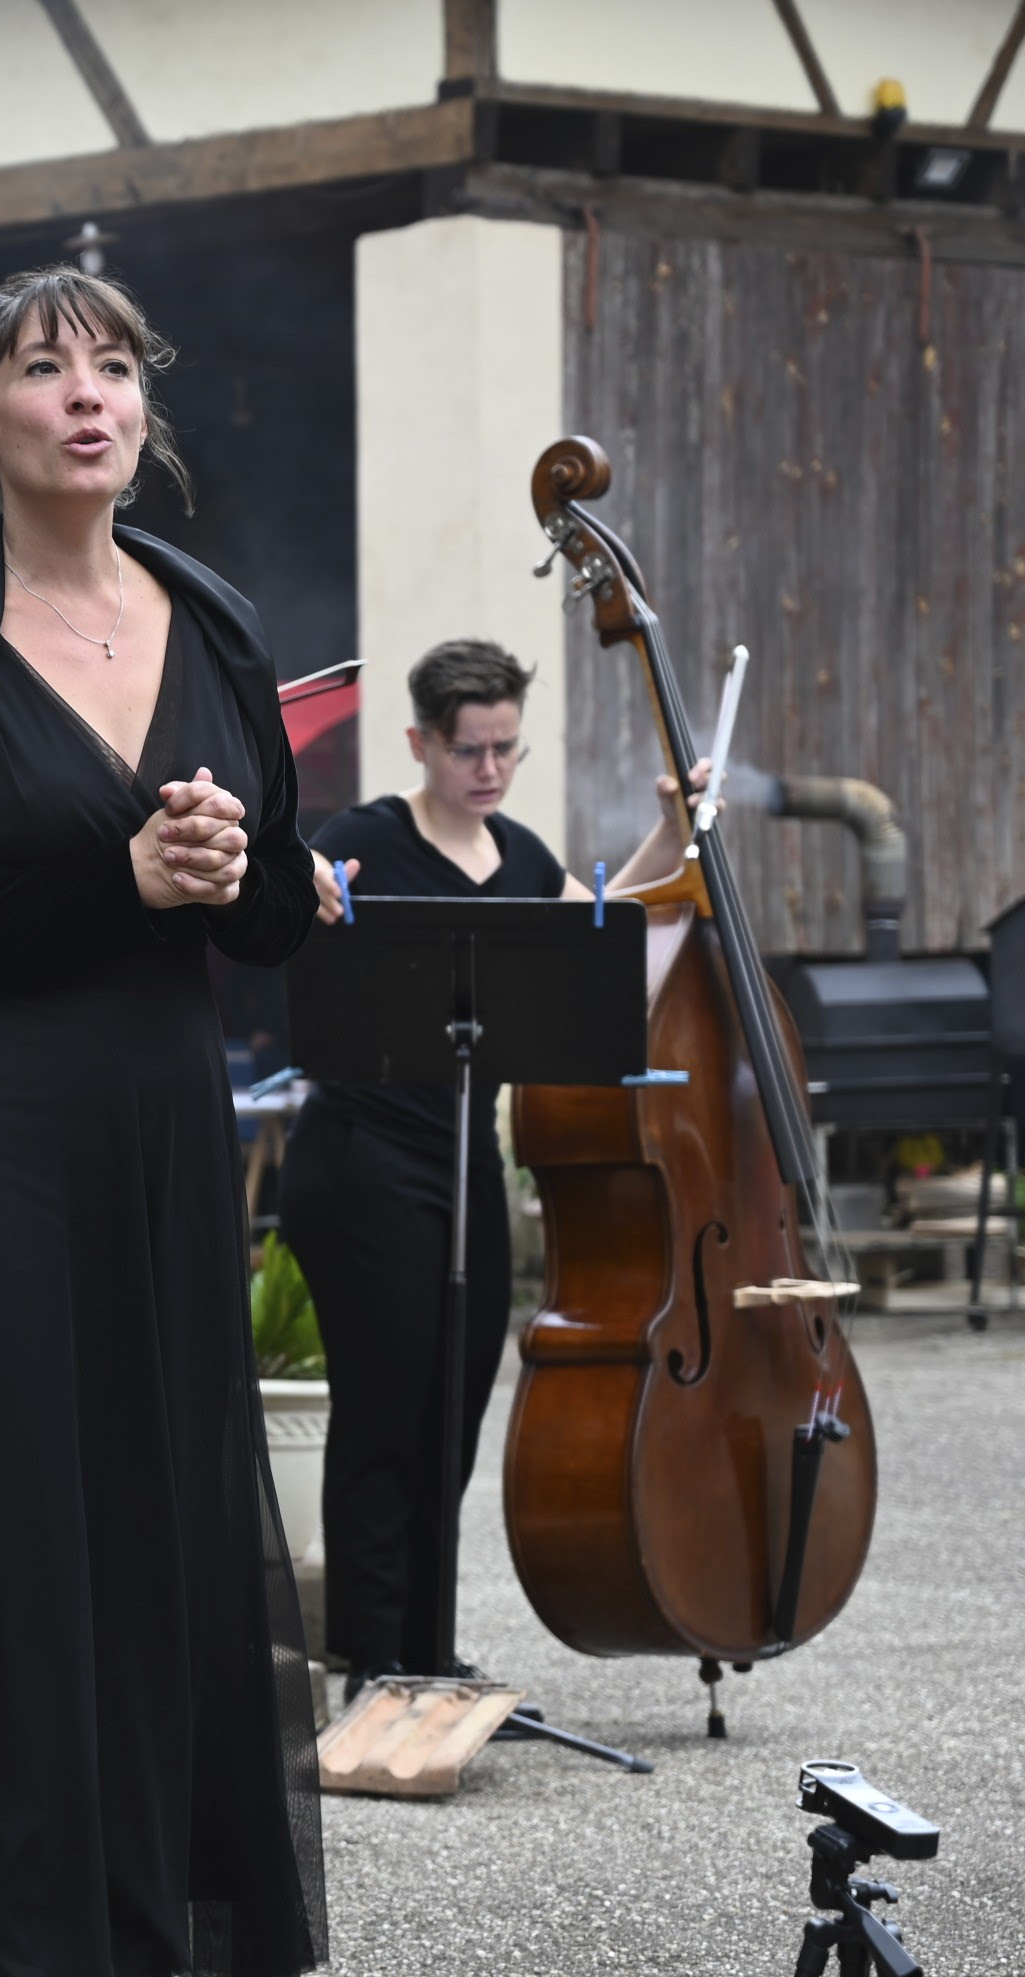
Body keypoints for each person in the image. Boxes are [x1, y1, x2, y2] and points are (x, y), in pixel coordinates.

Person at [0, 266, 325, 1977]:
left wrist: (237, 870)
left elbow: (268, 923)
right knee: (4, 1543)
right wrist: (108, 878)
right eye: (44, 370)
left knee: (153, 1525)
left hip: (158, 1133)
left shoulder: (219, 620)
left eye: (113, 366)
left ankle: (131, 1912)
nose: (87, 395)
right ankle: (27, 1957)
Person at [281, 639, 698, 1699]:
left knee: (454, 1409)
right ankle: (374, 1655)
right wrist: (313, 888)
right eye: (471, 749)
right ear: (422, 741)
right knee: (386, 1406)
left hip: (465, 1162)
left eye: (507, 748)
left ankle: (426, 1647)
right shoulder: (363, 837)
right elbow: (300, 912)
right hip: (364, 1160)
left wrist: (672, 832)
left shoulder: (515, 855)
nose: (491, 770)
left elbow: (605, 929)